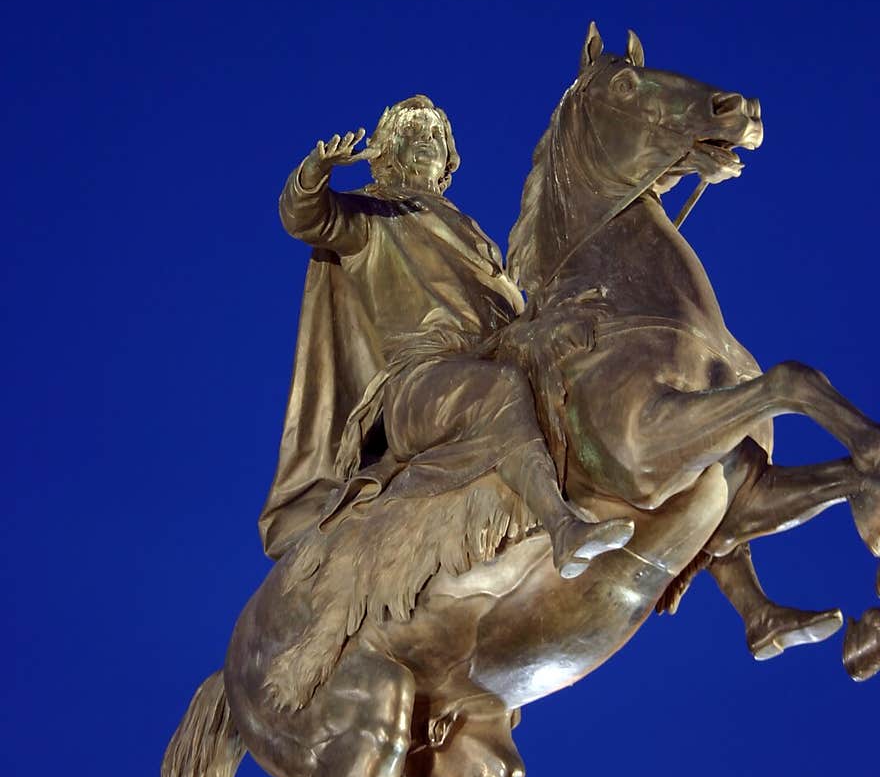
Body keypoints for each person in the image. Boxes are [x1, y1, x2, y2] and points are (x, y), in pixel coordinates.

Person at [258, 96, 634, 576]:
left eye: (436, 134)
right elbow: (307, 218)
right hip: (419, 382)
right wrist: (313, 173)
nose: (426, 142)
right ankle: (562, 528)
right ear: (389, 152)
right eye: (411, 134)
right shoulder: (371, 216)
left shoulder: (471, 232)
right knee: (497, 391)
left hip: (489, 355)